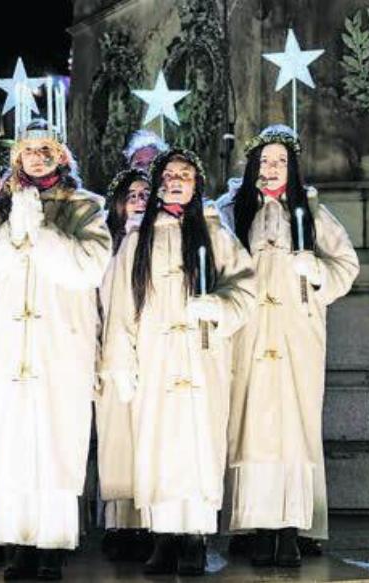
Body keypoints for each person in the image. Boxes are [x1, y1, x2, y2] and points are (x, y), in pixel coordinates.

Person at [0, 118, 111, 580]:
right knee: (10, 444)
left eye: (46, 149)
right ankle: (16, 541)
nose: (37, 157)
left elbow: (88, 267)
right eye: (28, 150)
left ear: (62, 156)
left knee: (54, 442)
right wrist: (13, 231)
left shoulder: (86, 207)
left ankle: (51, 545)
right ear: (16, 158)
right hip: (8, 346)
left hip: (59, 345)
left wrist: (39, 231)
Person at [101, 148, 256, 576]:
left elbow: (244, 284)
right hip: (156, 359)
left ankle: (196, 537)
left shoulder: (214, 233)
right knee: (159, 445)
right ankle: (164, 537)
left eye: (184, 174)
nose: (175, 181)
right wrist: (121, 362)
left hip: (202, 356)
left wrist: (219, 307)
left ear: (196, 183)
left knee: (199, 444)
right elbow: (119, 306)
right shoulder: (138, 238)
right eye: (168, 174)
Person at [216, 125, 360, 567]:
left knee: (294, 423)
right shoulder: (231, 210)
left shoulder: (312, 211)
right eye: (265, 160)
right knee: (250, 421)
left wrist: (314, 267)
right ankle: (254, 523)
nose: (271, 168)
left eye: (280, 161)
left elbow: (346, 265)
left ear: (291, 166)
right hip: (250, 331)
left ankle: (293, 525)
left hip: (298, 331)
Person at [97, 168, 151, 561]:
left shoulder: (156, 239)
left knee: (147, 438)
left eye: (146, 192)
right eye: (131, 192)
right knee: (116, 441)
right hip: (108, 353)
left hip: (149, 353)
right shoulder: (106, 243)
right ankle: (119, 522)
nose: (138, 198)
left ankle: (149, 522)